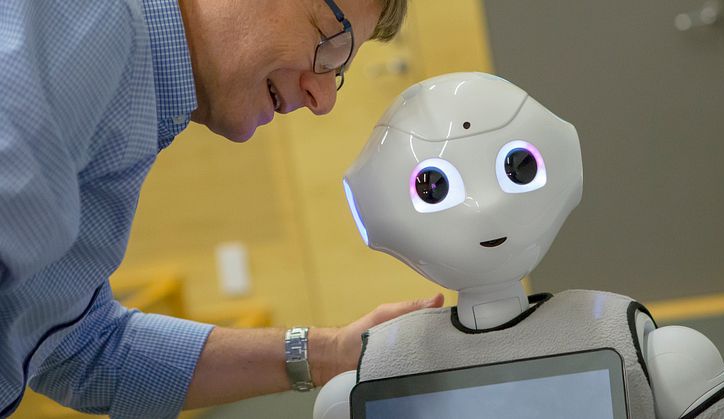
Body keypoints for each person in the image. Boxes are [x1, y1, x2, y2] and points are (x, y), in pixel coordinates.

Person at [0, 0, 443, 417]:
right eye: (331, 42)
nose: (323, 99)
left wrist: (327, 355)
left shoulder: (134, 87)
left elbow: (79, 345)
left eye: (339, 70)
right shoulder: (88, 19)